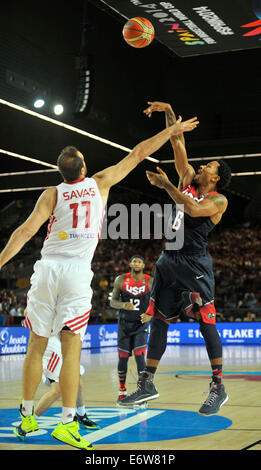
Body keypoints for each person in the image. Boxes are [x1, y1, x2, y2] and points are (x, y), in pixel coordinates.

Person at [0, 114, 199, 449]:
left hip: (47, 269)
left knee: (35, 346)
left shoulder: (51, 193)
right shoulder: (99, 182)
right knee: (71, 347)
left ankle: (27, 415)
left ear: (61, 173)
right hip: (77, 272)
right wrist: (171, 130)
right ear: (83, 168)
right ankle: (66, 423)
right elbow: (137, 154)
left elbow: (23, 232)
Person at [118, 101, 231, 416]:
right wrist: (168, 111)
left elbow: (193, 210)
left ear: (217, 178)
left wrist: (166, 184)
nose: (203, 167)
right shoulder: (188, 177)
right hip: (169, 260)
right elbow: (177, 140)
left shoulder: (218, 200)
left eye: (209, 166)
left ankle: (218, 387)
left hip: (194, 263)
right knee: (159, 321)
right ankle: (147, 383)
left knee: (206, 323)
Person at [22, 309, 99, 430]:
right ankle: (27, 423)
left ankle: (81, 415)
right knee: (58, 390)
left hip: (63, 338)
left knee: (77, 382)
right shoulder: (46, 293)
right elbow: (28, 311)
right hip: (50, 342)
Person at [109, 255, 153, 402]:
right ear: (130, 263)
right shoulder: (120, 280)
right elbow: (113, 301)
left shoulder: (150, 281)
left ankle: (143, 391)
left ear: (143, 265)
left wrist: (150, 316)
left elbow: (157, 302)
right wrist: (122, 305)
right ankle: (122, 390)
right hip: (124, 324)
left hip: (141, 324)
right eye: (134, 260)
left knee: (140, 356)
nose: (136, 263)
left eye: (139, 261)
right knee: (122, 358)